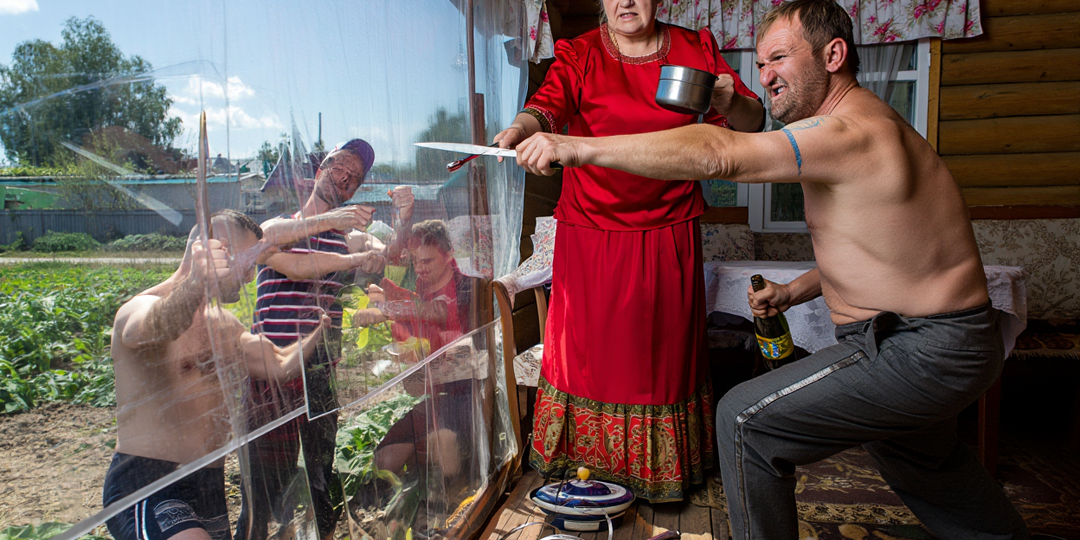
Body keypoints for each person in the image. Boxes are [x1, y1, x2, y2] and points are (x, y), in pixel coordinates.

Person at [510, 0, 1030, 537]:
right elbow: (890, 252)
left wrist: (576, 147)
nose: (764, 77)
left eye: (779, 58)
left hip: (917, 347)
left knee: (743, 420)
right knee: (929, 468)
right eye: (760, 64)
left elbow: (718, 152)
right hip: (934, 340)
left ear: (833, 55)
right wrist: (794, 291)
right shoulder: (869, 123)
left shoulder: (850, 132)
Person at [492, 0, 765, 501]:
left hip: (668, 230)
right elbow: (545, 106)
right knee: (587, 358)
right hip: (590, 231)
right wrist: (520, 130)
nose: (626, 2)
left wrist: (729, 102)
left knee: (658, 362)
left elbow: (752, 126)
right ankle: (584, 469)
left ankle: (658, 472)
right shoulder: (579, 53)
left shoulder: (696, 48)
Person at [104, 210, 329, 540]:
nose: (251, 276)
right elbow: (156, 327)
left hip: (208, 485)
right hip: (149, 483)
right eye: (248, 261)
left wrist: (322, 329)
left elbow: (279, 363)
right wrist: (196, 283)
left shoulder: (223, 325)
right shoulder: (138, 308)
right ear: (217, 251)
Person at [239, 139, 414, 540]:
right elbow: (293, 262)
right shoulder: (279, 228)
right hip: (270, 372)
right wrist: (339, 228)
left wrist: (404, 218)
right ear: (319, 172)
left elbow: (395, 256)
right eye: (339, 168)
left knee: (319, 474)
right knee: (263, 485)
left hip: (318, 370)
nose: (345, 178)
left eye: (354, 177)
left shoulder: (348, 238)